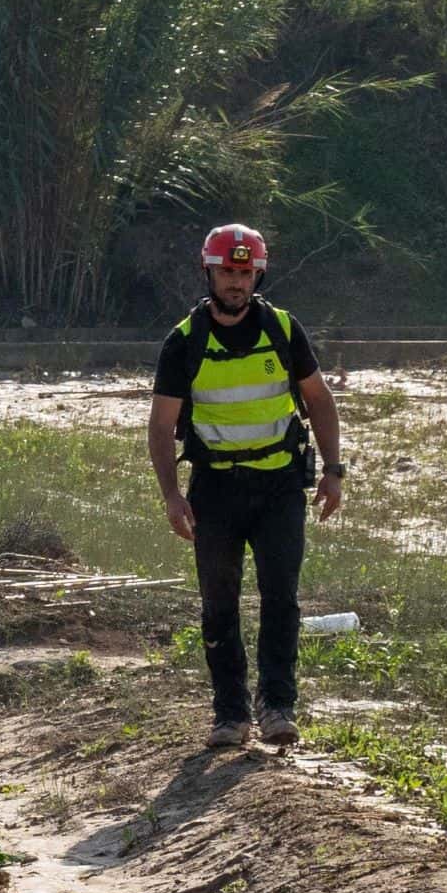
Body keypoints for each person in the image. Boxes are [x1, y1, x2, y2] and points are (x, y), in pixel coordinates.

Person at [147, 224, 345, 749]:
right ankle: (230, 715)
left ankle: (278, 706)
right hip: (215, 491)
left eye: (245, 271)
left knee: (282, 597)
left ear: (258, 273)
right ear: (209, 272)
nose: (236, 281)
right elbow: (161, 425)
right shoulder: (183, 342)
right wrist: (171, 494)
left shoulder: (282, 329)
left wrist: (333, 470)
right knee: (219, 603)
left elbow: (319, 400)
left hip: (280, 487)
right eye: (227, 271)